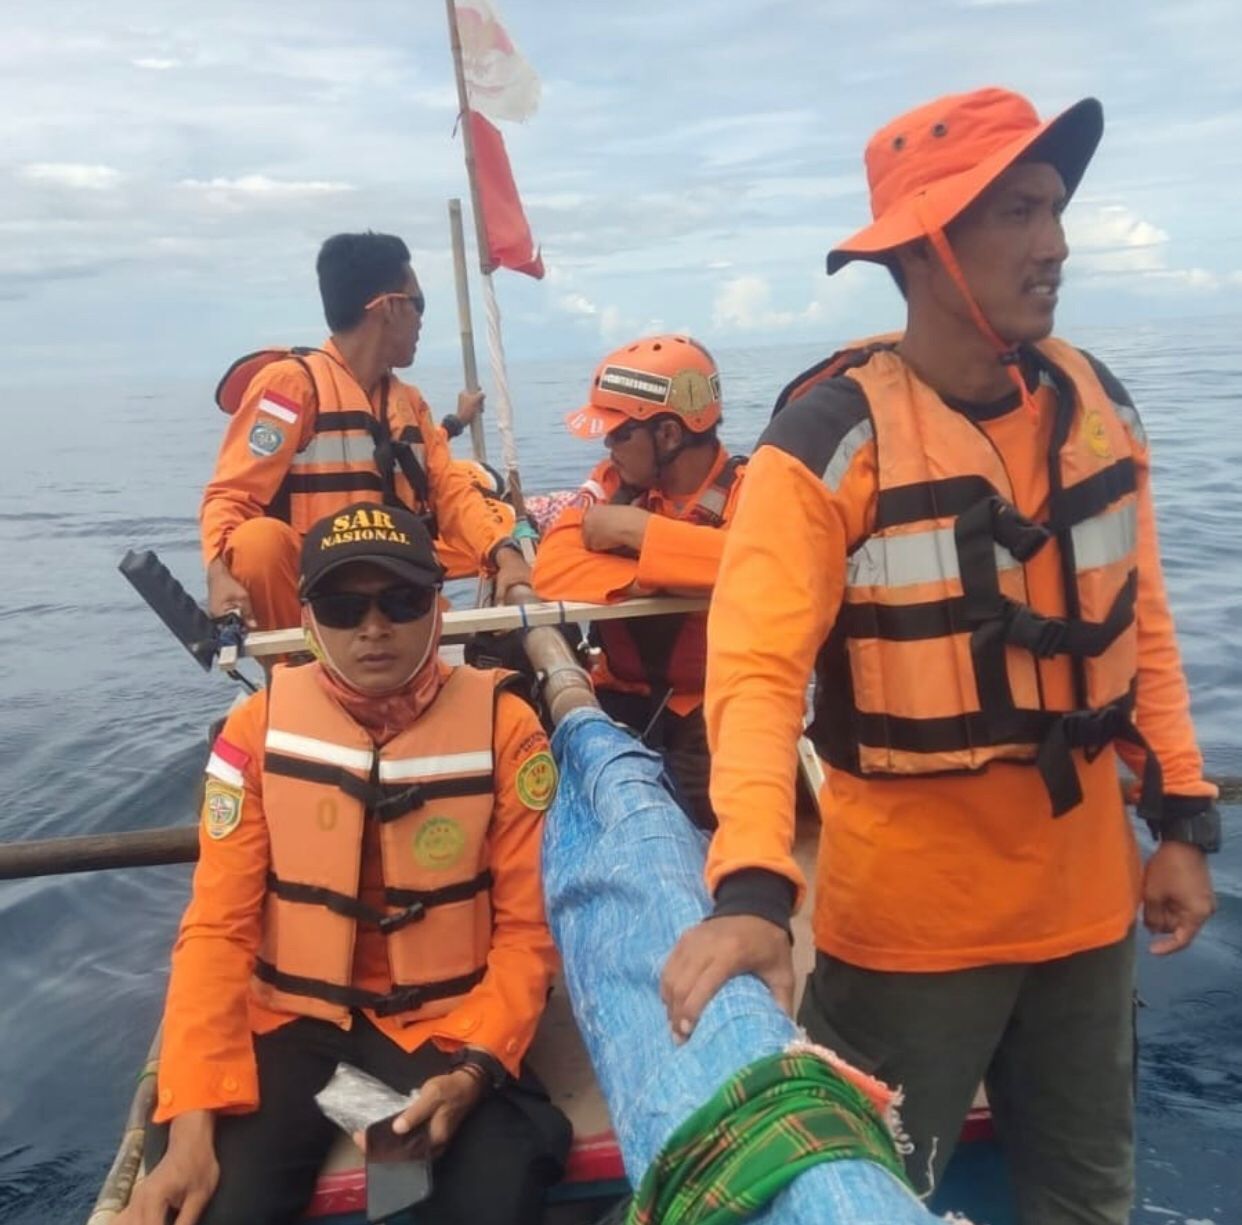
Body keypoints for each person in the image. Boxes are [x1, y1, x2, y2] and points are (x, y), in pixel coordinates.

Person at [662, 87, 1220, 1223]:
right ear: (923, 249)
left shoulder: (1097, 403)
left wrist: (1181, 824)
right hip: (908, 942)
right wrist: (756, 891)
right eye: (1017, 210)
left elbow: (1142, 628)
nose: (1055, 242)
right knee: (863, 1196)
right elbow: (756, 680)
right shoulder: (828, 443)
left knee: (1090, 1202)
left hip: (1088, 918)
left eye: (1056, 208)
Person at [121, 504, 569, 1225]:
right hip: (291, 1028)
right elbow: (215, 930)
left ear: (438, 605)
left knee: (500, 1188)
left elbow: (528, 936)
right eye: (341, 604)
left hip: (443, 1029)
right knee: (206, 1204)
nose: (373, 626)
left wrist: (474, 1070)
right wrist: (192, 1127)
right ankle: (355, 1115)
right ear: (306, 618)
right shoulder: (254, 731)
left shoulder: (509, 730)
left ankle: (391, 1126)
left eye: (401, 600)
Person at [201, 231, 530, 632]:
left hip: (402, 598)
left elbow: (452, 493)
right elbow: (233, 494)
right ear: (389, 307)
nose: (422, 320)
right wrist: (218, 572)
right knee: (257, 542)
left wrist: (505, 552)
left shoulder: (409, 402)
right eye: (418, 304)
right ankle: (295, 676)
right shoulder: (289, 386)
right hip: (322, 608)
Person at [532, 335, 747, 829]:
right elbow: (553, 569)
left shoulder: (752, 490)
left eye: (618, 434)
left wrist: (633, 531)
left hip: (713, 712)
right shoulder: (613, 482)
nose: (607, 447)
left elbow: (754, 562)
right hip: (619, 701)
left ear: (668, 435)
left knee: (713, 830)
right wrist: (667, 577)